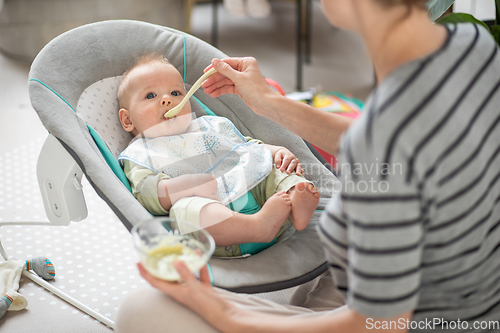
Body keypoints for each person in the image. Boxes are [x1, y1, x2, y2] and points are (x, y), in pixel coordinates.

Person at [116, 0, 500, 332]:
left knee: (142, 312)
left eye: (173, 92)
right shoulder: (473, 48)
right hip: (456, 301)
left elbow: (378, 325)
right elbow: (385, 141)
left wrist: (226, 314)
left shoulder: (389, 155)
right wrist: (267, 101)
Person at [117, 54, 320, 257]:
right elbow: (147, 193)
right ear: (127, 120)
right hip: (220, 230)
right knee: (185, 211)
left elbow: (244, 148)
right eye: (150, 96)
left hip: (263, 199)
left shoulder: (208, 126)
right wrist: (187, 185)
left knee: (274, 170)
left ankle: (295, 200)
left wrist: (275, 151)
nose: (167, 99)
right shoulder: (140, 154)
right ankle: (257, 227)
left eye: (176, 92)